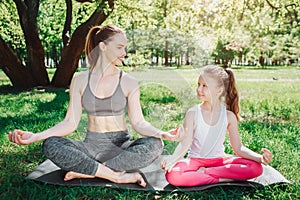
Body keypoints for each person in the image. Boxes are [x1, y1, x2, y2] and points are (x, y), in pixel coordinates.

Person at [8, 25, 181, 187]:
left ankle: (90, 171)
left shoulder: (129, 81)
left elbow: (138, 123)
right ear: (103, 46)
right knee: (51, 144)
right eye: (120, 47)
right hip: (90, 147)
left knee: (155, 144)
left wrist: (161, 133)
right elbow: (70, 122)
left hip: (121, 147)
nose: (124, 53)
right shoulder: (80, 80)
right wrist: (36, 136)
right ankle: (115, 175)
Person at [161, 65, 273, 187]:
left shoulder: (229, 116)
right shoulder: (193, 113)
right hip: (195, 161)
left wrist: (259, 158)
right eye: (198, 84)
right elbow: (185, 143)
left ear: (219, 90)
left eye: (205, 86)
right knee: (173, 175)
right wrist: (173, 159)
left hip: (220, 161)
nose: (199, 89)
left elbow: (238, 148)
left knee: (255, 168)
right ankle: (222, 179)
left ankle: (207, 174)